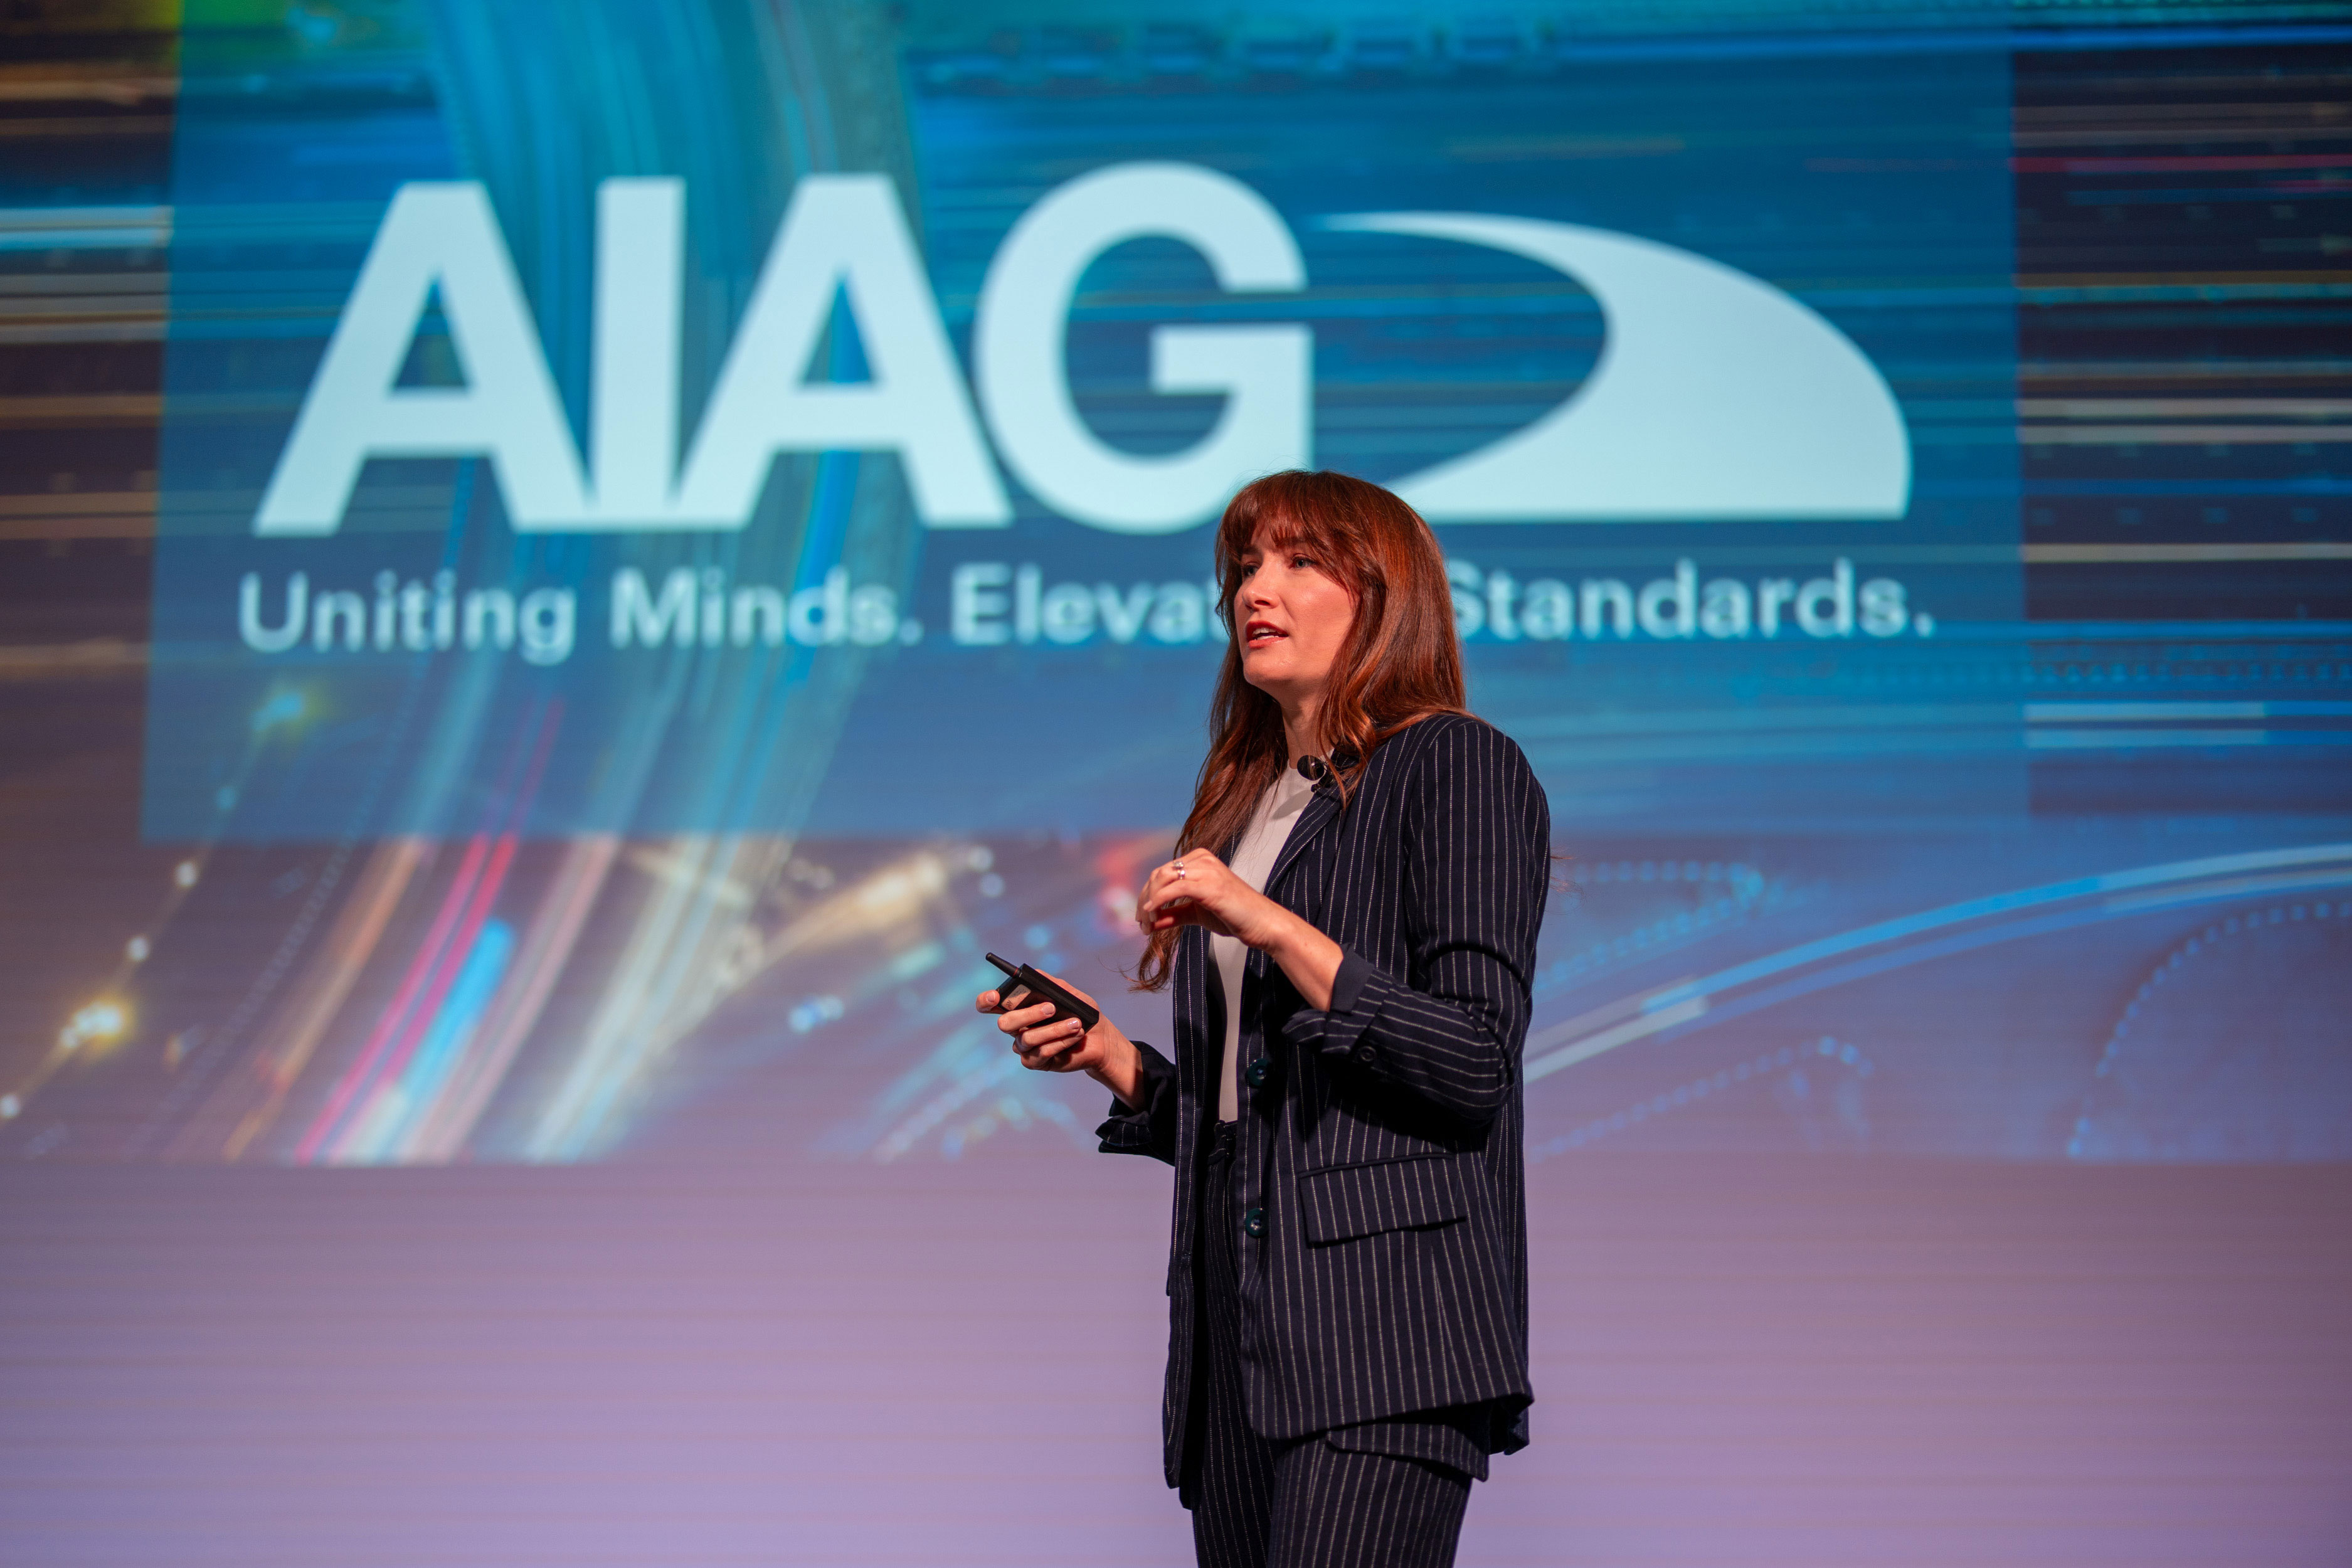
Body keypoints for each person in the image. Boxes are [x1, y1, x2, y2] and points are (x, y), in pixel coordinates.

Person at [976, 470, 1551, 1568]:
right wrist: (1112, 1058)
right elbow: (1264, 1118)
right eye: (1245, 566)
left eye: (1298, 563)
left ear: (1384, 596)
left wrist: (1271, 924)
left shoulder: (1453, 762)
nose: (1255, 589)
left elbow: (1473, 1060)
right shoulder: (1249, 805)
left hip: (1385, 1340)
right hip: (1236, 1340)